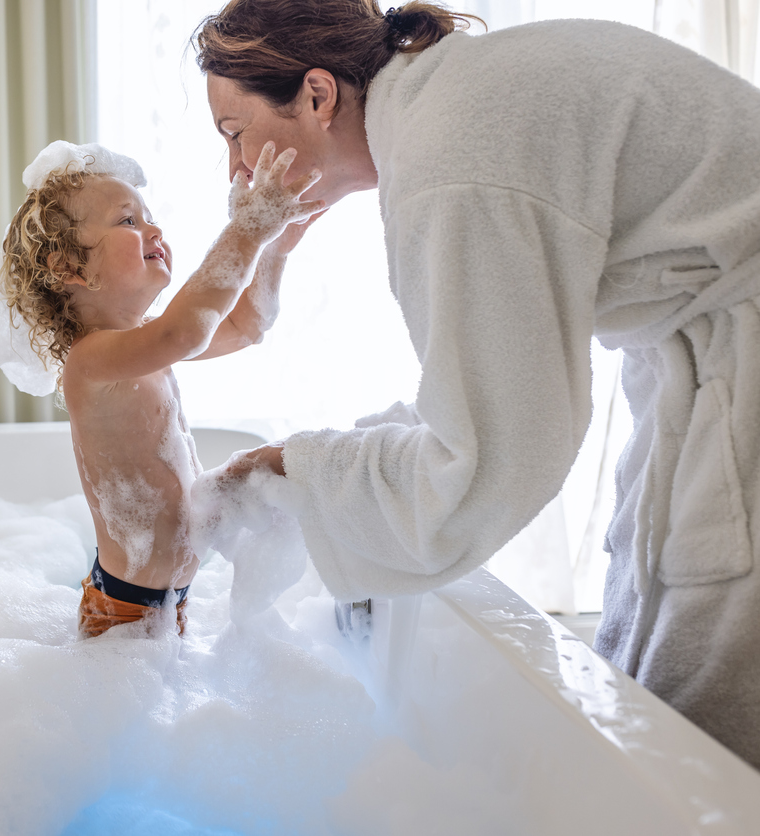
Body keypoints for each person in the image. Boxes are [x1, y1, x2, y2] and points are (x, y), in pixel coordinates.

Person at [192, 0, 760, 767]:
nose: (234, 169)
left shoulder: (450, 160)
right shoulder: (454, 103)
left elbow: (491, 462)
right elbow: (501, 385)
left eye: (234, 134)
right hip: (711, 352)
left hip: (735, 358)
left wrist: (305, 469)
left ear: (318, 96)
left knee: (706, 753)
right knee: (662, 711)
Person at [0, 140, 323, 638]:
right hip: (122, 614)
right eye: (127, 221)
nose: (153, 229)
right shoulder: (91, 363)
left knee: (265, 463)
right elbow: (187, 331)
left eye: (149, 216)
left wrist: (274, 246)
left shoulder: (145, 340)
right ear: (71, 268)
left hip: (168, 605)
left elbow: (247, 325)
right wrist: (246, 229)